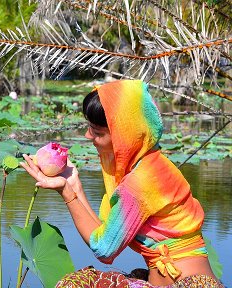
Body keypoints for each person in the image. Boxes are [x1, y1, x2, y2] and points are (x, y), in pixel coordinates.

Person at [20, 79, 224, 287]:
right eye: (89, 128)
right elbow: (104, 235)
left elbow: (104, 249)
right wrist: (75, 186)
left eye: (97, 132)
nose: (88, 136)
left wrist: (65, 191)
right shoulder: (149, 163)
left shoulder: (141, 181)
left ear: (124, 136)